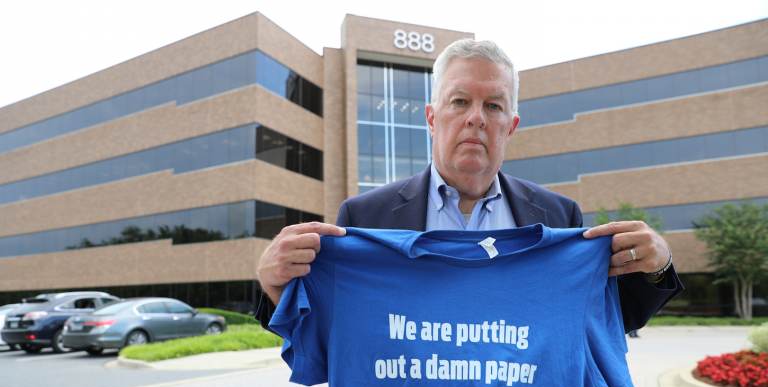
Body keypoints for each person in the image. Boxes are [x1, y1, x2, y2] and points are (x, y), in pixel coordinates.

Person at [256, 39, 682, 329]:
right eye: (460, 101)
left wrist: (658, 266)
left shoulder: (558, 216)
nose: (476, 117)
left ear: (510, 125)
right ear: (431, 117)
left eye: (493, 104)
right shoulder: (365, 217)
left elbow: (601, 324)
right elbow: (333, 335)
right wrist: (273, 285)